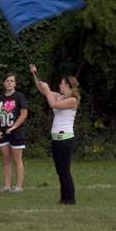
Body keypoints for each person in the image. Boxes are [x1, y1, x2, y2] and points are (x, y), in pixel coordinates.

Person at [29, 63, 80, 205]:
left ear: (68, 85)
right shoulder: (60, 96)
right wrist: (34, 73)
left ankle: (70, 199)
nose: (59, 85)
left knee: (64, 170)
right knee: (59, 170)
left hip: (65, 140)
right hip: (56, 139)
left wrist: (47, 89)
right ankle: (64, 198)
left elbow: (53, 104)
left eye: (61, 83)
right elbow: (42, 89)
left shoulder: (72, 100)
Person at [0, 73, 28, 193]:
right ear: (3, 83)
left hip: (16, 132)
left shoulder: (19, 96)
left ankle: (18, 187)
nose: (9, 83)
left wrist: (13, 127)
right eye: (7, 81)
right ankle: (7, 186)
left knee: (17, 159)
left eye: (12, 81)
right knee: (6, 160)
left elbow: (24, 114)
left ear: (15, 83)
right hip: (3, 133)